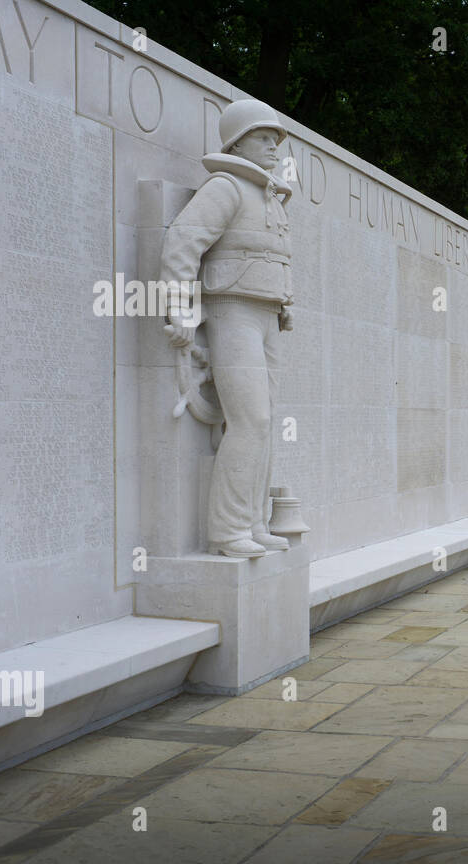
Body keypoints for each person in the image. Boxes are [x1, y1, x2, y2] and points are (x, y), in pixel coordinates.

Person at [160, 99, 294, 558]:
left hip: (267, 317)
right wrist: (177, 306)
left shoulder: (269, 196)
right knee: (250, 420)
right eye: (263, 138)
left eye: (276, 139)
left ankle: (254, 522)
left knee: (266, 422)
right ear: (237, 142)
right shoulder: (228, 187)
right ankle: (228, 529)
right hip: (231, 312)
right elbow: (182, 241)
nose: (274, 147)